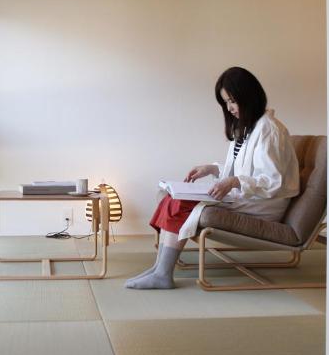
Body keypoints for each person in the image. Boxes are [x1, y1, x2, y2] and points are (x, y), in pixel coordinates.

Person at [126, 66, 302, 289]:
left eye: (232, 101)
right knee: (170, 196)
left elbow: (273, 181)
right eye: (226, 102)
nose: (229, 108)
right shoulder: (248, 127)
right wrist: (212, 169)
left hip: (264, 203)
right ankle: (159, 268)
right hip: (247, 195)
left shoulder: (269, 130)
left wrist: (234, 182)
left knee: (179, 203)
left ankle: (162, 274)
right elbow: (243, 170)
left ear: (249, 96)